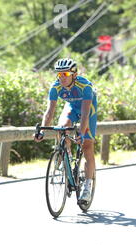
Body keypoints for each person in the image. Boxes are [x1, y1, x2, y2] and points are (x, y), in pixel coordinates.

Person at [35, 58, 98, 202]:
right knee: (61, 127)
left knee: (87, 145)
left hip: (87, 109)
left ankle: (87, 187)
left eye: (66, 74)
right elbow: (49, 112)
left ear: (74, 75)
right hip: (71, 107)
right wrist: (42, 131)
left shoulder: (86, 86)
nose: (62, 77)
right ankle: (66, 156)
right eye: (59, 74)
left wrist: (81, 134)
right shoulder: (55, 87)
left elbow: (85, 114)